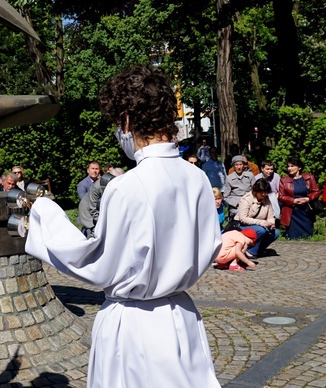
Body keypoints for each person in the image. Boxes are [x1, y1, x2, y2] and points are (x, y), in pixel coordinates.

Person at [24, 65, 221, 388]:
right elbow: (209, 244)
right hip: (182, 314)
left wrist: (45, 214)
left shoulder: (128, 186)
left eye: (118, 123)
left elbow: (98, 262)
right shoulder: (196, 177)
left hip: (136, 325)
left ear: (127, 120)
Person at [278, 157, 322, 239]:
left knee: (308, 236)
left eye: (292, 166)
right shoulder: (284, 180)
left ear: (299, 167)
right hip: (292, 211)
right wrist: (293, 200)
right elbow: (281, 196)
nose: (290, 168)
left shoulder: (309, 178)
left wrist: (308, 198)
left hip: (306, 209)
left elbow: (316, 191)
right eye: (288, 166)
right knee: (292, 237)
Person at [234, 178, 279, 258]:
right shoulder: (246, 199)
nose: (263, 194)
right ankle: (249, 250)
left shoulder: (267, 199)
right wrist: (262, 223)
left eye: (265, 192)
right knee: (261, 230)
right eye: (261, 192)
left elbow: (270, 215)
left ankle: (259, 249)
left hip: (260, 225)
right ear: (256, 190)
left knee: (275, 233)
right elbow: (243, 218)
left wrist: (271, 223)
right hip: (242, 225)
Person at [77, 168, 124, 238]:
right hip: (88, 212)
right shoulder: (97, 186)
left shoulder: (112, 184)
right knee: (95, 234)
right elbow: (93, 209)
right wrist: (102, 223)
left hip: (97, 209)